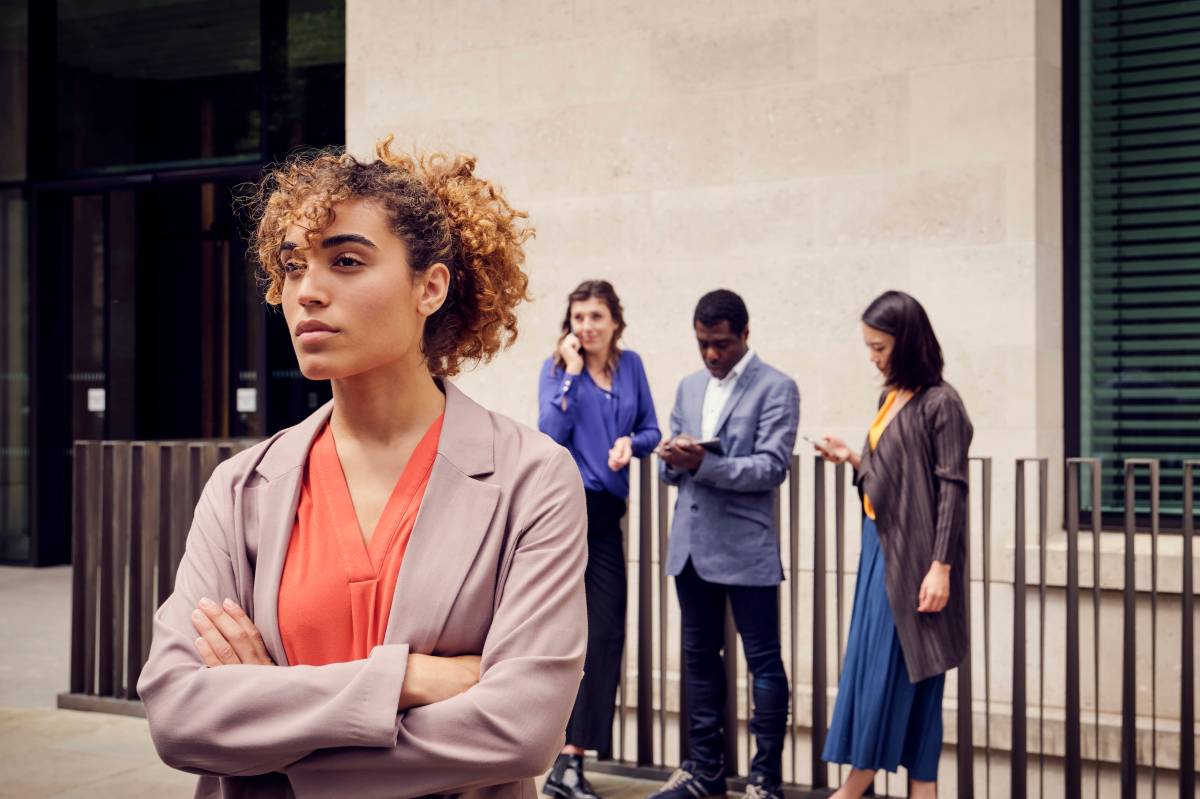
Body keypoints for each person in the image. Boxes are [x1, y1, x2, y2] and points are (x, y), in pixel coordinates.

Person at [137, 138, 588, 799]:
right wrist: (402, 681)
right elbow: (179, 715)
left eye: (346, 261)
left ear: (428, 287)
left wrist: (267, 730)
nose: (307, 292)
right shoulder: (242, 488)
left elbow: (519, 730)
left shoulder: (532, 479)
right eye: (291, 267)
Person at [815, 290, 973, 799]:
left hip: (918, 557)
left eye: (879, 347)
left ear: (906, 344)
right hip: (880, 546)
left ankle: (853, 787)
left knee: (898, 671)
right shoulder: (891, 397)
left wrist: (941, 566)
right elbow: (891, 477)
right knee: (885, 669)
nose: (873, 357)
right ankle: (918, 788)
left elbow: (952, 487)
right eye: (869, 346)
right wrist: (852, 459)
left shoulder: (941, 402)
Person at [650, 289, 799, 799]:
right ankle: (704, 773)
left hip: (746, 549)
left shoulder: (777, 388)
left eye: (721, 344)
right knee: (698, 660)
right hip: (690, 547)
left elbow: (771, 467)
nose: (712, 354)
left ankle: (764, 782)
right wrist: (671, 457)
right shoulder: (690, 386)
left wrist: (703, 464)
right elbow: (671, 470)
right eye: (703, 344)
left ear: (743, 335)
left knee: (763, 661)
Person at [537, 279, 661, 799]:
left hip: (608, 514)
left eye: (595, 317)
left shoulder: (630, 367)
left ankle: (574, 759)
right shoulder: (556, 368)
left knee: (607, 632)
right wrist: (567, 375)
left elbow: (652, 429)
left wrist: (630, 444)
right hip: (570, 508)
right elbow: (548, 432)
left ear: (615, 321)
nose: (586, 327)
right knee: (568, 632)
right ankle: (561, 760)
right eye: (578, 317)